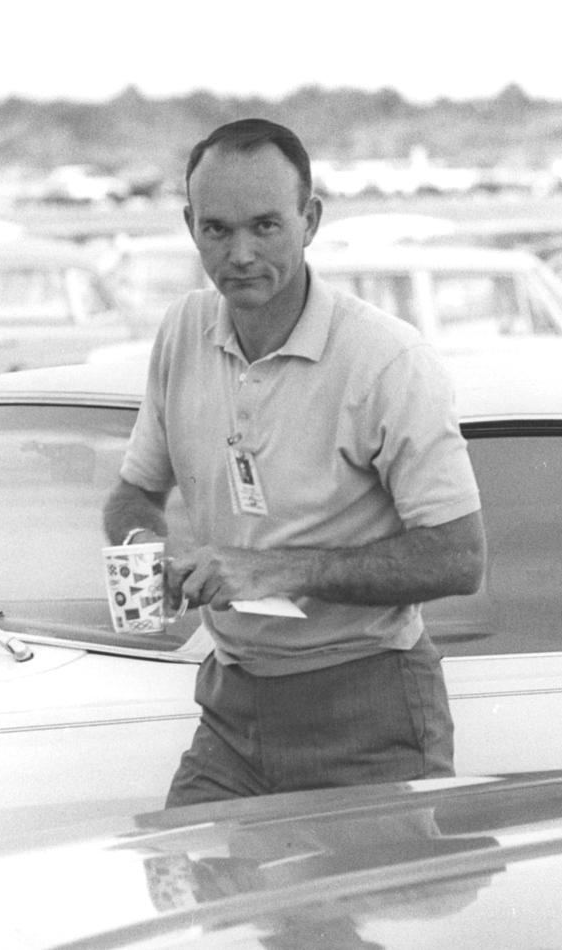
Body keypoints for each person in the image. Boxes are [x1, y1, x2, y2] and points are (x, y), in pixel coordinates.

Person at [102, 118, 486, 808]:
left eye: (265, 226)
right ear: (190, 225)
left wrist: (280, 568)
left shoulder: (386, 359)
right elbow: (133, 491)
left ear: (310, 220)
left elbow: (460, 557)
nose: (240, 253)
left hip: (366, 704)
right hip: (230, 704)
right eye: (216, 229)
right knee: (189, 902)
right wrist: (144, 551)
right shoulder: (183, 331)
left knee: (354, 912)